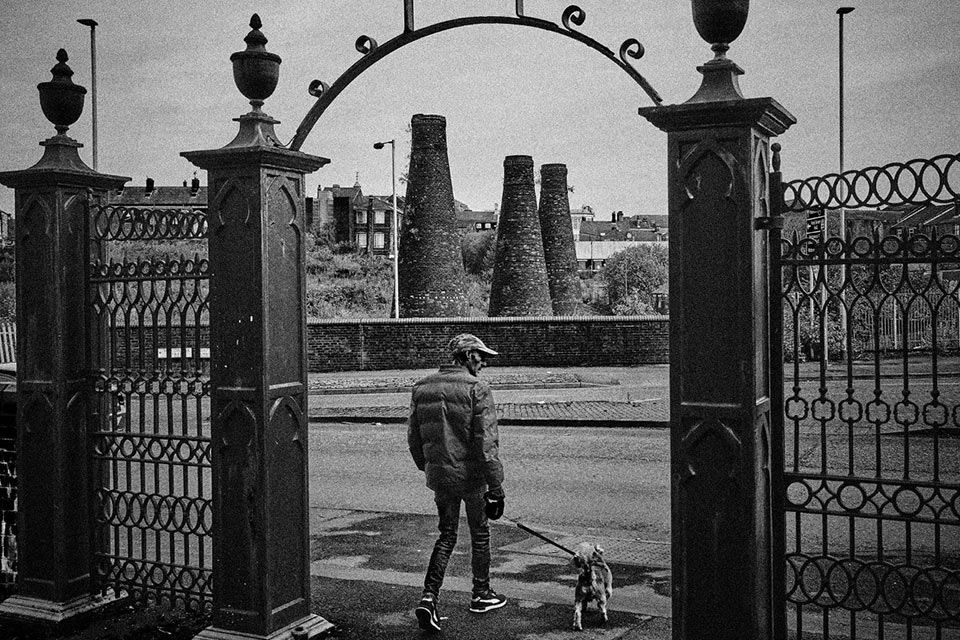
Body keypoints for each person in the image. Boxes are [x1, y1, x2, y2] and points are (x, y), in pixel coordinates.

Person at [408, 333, 507, 633]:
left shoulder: (421, 387)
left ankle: (429, 597)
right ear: (465, 356)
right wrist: (497, 488)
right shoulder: (477, 388)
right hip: (473, 478)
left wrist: (431, 469)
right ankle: (481, 594)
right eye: (480, 356)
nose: (484, 362)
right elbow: (486, 444)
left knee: (447, 535)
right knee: (479, 534)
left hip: (441, 477)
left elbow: (414, 439)